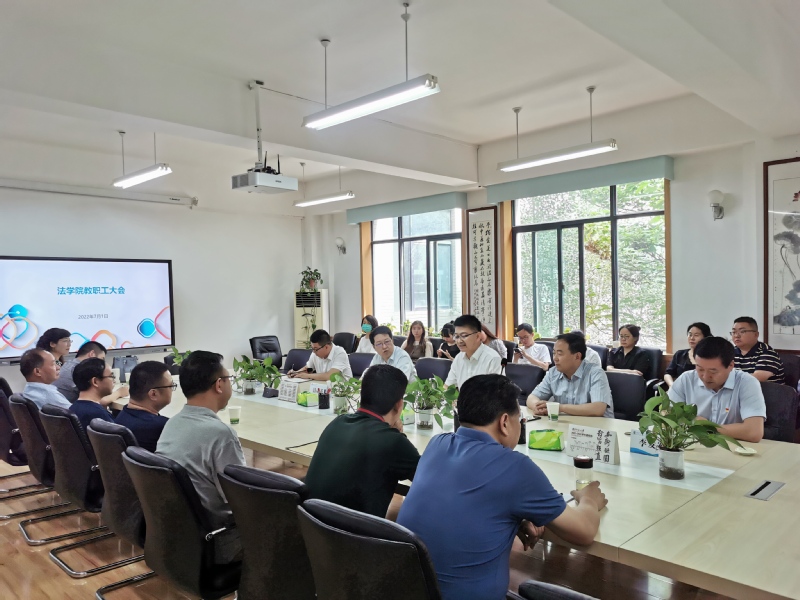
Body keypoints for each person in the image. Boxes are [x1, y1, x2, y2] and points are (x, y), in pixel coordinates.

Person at [398, 374, 607, 600]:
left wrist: (513, 516)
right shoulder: (515, 467)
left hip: (404, 591)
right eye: (520, 419)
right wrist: (589, 499)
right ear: (505, 422)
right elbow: (584, 532)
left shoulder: (437, 444)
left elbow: (460, 503)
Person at [157, 351, 245, 562]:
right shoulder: (221, 434)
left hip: (178, 537)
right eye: (229, 378)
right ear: (219, 385)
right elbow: (241, 501)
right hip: (220, 541)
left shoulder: (172, 423)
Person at [305, 364, 420, 518]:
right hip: (352, 532)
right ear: (399, 405)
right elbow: (427, 478)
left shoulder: (337, 423)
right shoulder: (393, 442)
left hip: (309, 524)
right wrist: (397, 435)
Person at [668, 337, 766, 443]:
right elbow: (666, 416)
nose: (705, 377)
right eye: (700, 369)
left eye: (713, 371)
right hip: (690, 445)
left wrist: (707, 426)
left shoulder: (747, 383)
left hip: (732, 447)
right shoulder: (686, 379)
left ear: (731, 365)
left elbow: (754, 432)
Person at [527, 332, 614, 418]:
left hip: (597, 425)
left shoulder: (595, 373)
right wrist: (538, 407)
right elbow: (532, 397)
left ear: (577, 356)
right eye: (554, 353)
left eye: (560, 354)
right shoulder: (553, 372)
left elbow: (598, 409)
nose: (555, 358)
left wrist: (560, 408)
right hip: (567, 423)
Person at [115, 361, 173, 452]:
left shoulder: (122, 415)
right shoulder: (164, 427)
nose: (172, 389)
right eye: (171, 385)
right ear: (153, 394)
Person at [53, 340, 129, 404]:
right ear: (92, 354)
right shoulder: (78, 370)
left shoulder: (69, 364)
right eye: (101, 359)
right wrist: (119, 393)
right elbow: (98, 401)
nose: (102, 363)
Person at [444, 315, 503, 389]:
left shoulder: (493, 359)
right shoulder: (458, 358)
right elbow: (447, 386)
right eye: (456, 336)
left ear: (478, 336)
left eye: (464, 336)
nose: (459, 341)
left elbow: (495, 392)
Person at [731, 317, 785, 383]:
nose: (736, 335)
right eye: (734, 332)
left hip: (764, 390)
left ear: (756, 334)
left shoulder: (767, 353)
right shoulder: (730, 352)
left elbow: (753, 380)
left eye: (742, 331)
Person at [70, 358, 115, 431]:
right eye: (111, 376)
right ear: (95, 382)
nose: (114, 380)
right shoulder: (97, 415)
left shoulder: (73, 408)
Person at [287, 329, 352, 380]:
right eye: (312, 348)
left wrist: (307, 376)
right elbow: (308, 369)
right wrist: (296, 373)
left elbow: (330, 376)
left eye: (315, 349)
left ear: (326, 347)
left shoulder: (340, 353)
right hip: (323, 387)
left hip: (344, 390)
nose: (313, 352)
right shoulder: (315, 353)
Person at [663, 322, 712, 387]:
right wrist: (672, 385)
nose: (692, 338)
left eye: (696, 335)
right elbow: (668, 373)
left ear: (705, 337)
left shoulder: (712, 357)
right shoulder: (679, 354)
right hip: (680, 389)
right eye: (690, 334)